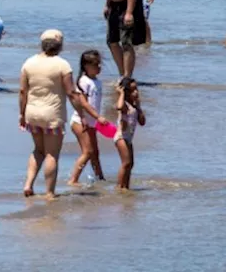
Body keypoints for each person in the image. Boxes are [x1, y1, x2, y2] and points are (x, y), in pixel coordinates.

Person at [19, 29, 93, 199]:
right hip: (52, 114)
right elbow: (71, 93)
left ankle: (28, 184)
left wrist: (21, 114)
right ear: (60, 45)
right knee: (52, 154)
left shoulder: (29, 63)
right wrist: (81, 113)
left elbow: (23, 91)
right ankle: (50, 192)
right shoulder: (62, 65)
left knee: (38, 150)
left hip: (32, 113)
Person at [69, 50, 108, 186]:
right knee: (87, 152)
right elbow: (84, 103)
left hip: (92, 123)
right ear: (86, 66)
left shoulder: (97, 81)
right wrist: (98, 117)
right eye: (96, 65)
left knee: (95, 152)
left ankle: (100, 177)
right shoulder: (83, 81)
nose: (99, 67)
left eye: (99, 64)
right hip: (80, 122)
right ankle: (73, 180)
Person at [113, 77, 146, 190]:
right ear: (126, 92)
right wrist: (121, 93)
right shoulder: (125, 105)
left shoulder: (135, 107)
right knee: (126, 163)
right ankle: (119, 186)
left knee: (130, 164)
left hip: (128, 138)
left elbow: (142, 122)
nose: (136, 92)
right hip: (121, 137)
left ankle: (126, 186)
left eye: (136, 89)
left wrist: (139, 107)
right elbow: (119, 107)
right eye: (132, 90)